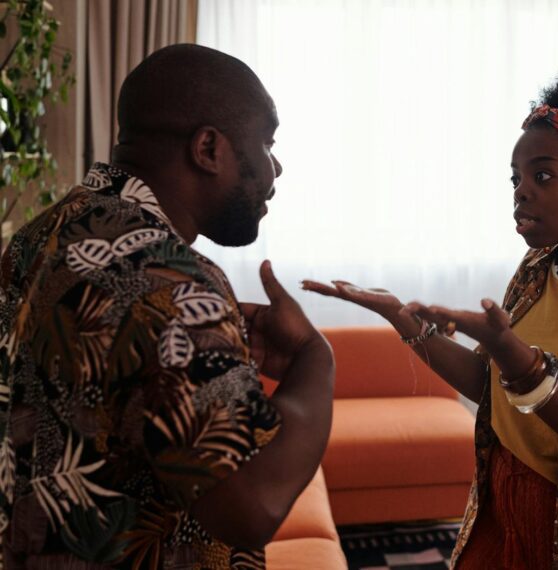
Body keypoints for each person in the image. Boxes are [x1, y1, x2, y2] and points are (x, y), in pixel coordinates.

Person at [304, 74, 558, 568]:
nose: (520, 193)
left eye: (542, 175)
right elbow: (488, 383)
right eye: (514, 178)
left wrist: (514, 355)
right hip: (503, 498)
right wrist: (402, 320)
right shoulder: (538, 268)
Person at [0, 44, 335, 569]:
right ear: (208, 148)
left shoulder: (39, 237)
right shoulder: (173, 280)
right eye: (267, 143)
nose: (277, 167)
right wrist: (315, 358)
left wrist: (205, 352)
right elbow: (252, 505)